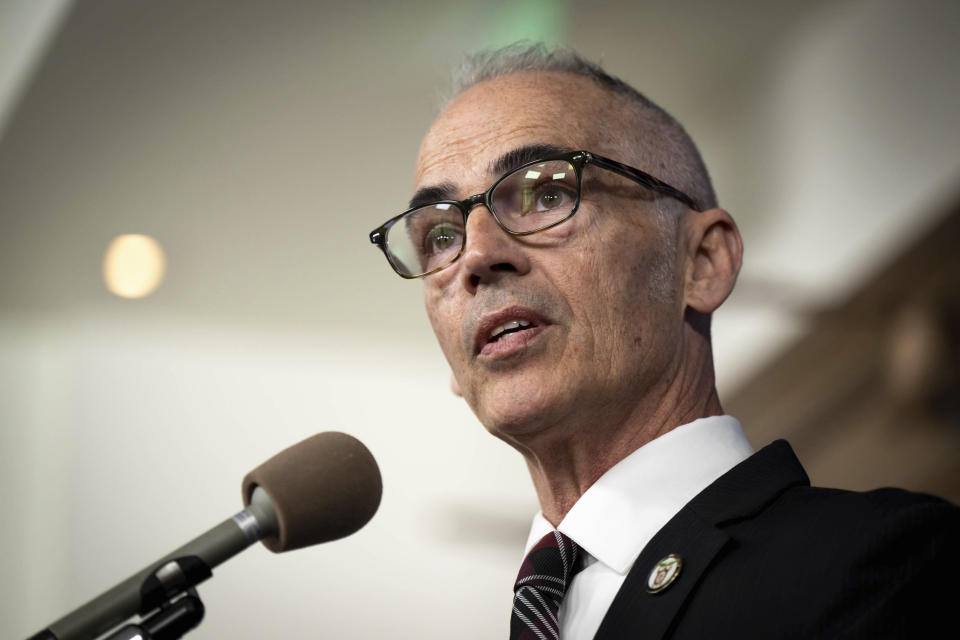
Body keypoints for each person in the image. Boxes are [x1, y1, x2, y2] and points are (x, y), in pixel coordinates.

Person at [368, 44, 958, 639]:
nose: (476, 256)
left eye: (547, 194)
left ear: (702, 262)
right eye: (441, 236)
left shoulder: (885, 564)